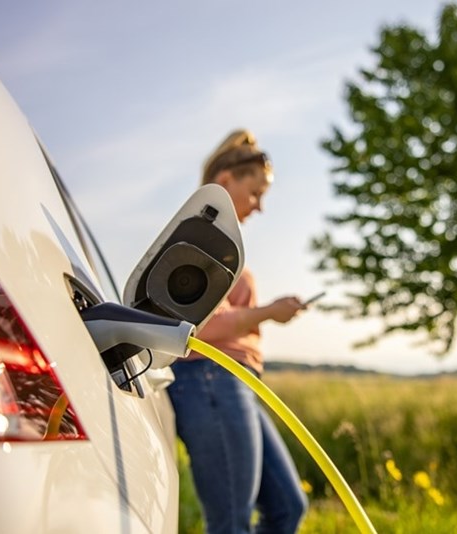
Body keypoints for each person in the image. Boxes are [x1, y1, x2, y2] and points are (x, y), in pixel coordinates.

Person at [167, 129, 309, 534]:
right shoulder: (199, 236)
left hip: (234, 384)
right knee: (230, 524)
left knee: (287, 507)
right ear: (227, 181)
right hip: (210, 380)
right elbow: (200, 322)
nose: (260, 207)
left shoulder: (218, 238)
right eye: (256, 192)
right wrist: (268, 312)